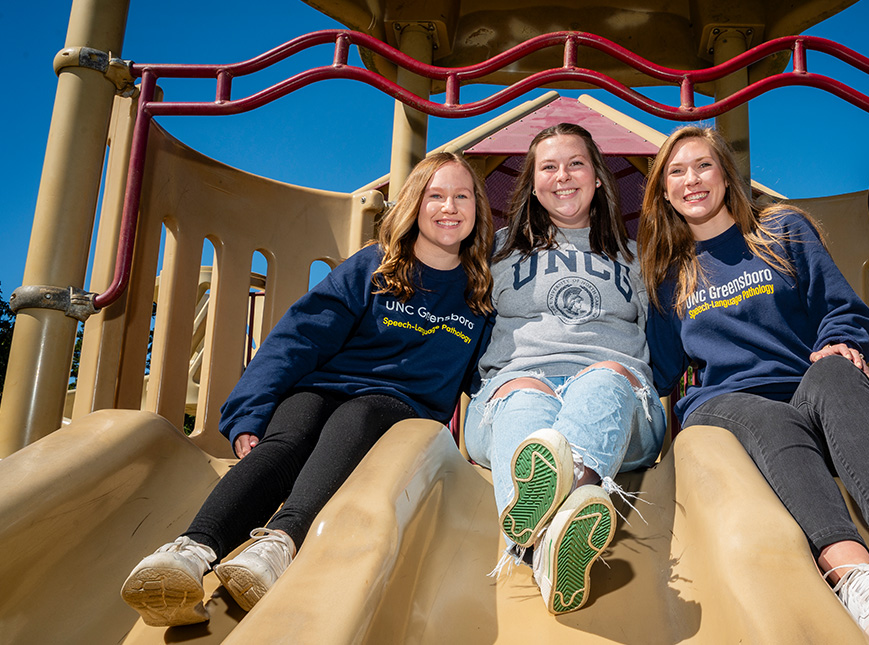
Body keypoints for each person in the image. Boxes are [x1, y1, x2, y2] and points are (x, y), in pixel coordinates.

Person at [639, 126, 869, 645]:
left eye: (702, 166)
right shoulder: (668, 274)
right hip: (727, 406)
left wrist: (842, 345)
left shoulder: (781, 230)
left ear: (725, 175)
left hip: (804, 388)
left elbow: (841, 311)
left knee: (835, 372)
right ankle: (854, 575)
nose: (691, 180)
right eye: (677, 172)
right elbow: (657, 368)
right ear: (664, 191)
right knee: (767, 416)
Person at [121, 152, 494, 627]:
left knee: (354, 419)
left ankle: (279, 543)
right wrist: (249, 413)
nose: (449, 206)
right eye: (435, 195)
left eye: (462, 196)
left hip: (396, 409)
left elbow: (487, 374)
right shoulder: (375, 268)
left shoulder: (479, 293)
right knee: (288, 438)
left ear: (478, 209)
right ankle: (191, 550)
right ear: (414, 205)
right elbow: (300, 336)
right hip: (324, 386)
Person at [465, 122, 666, 615]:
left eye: (576, 163)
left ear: (597, 176)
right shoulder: (495, 250)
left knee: (605, 378)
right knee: (523, 391)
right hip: (517, 386)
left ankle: (556, 510)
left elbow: (675, 337)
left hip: (618, 409)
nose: (563, 176)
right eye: (548, 167)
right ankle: (553, 545)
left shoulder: (636, 258)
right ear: (532, 183)